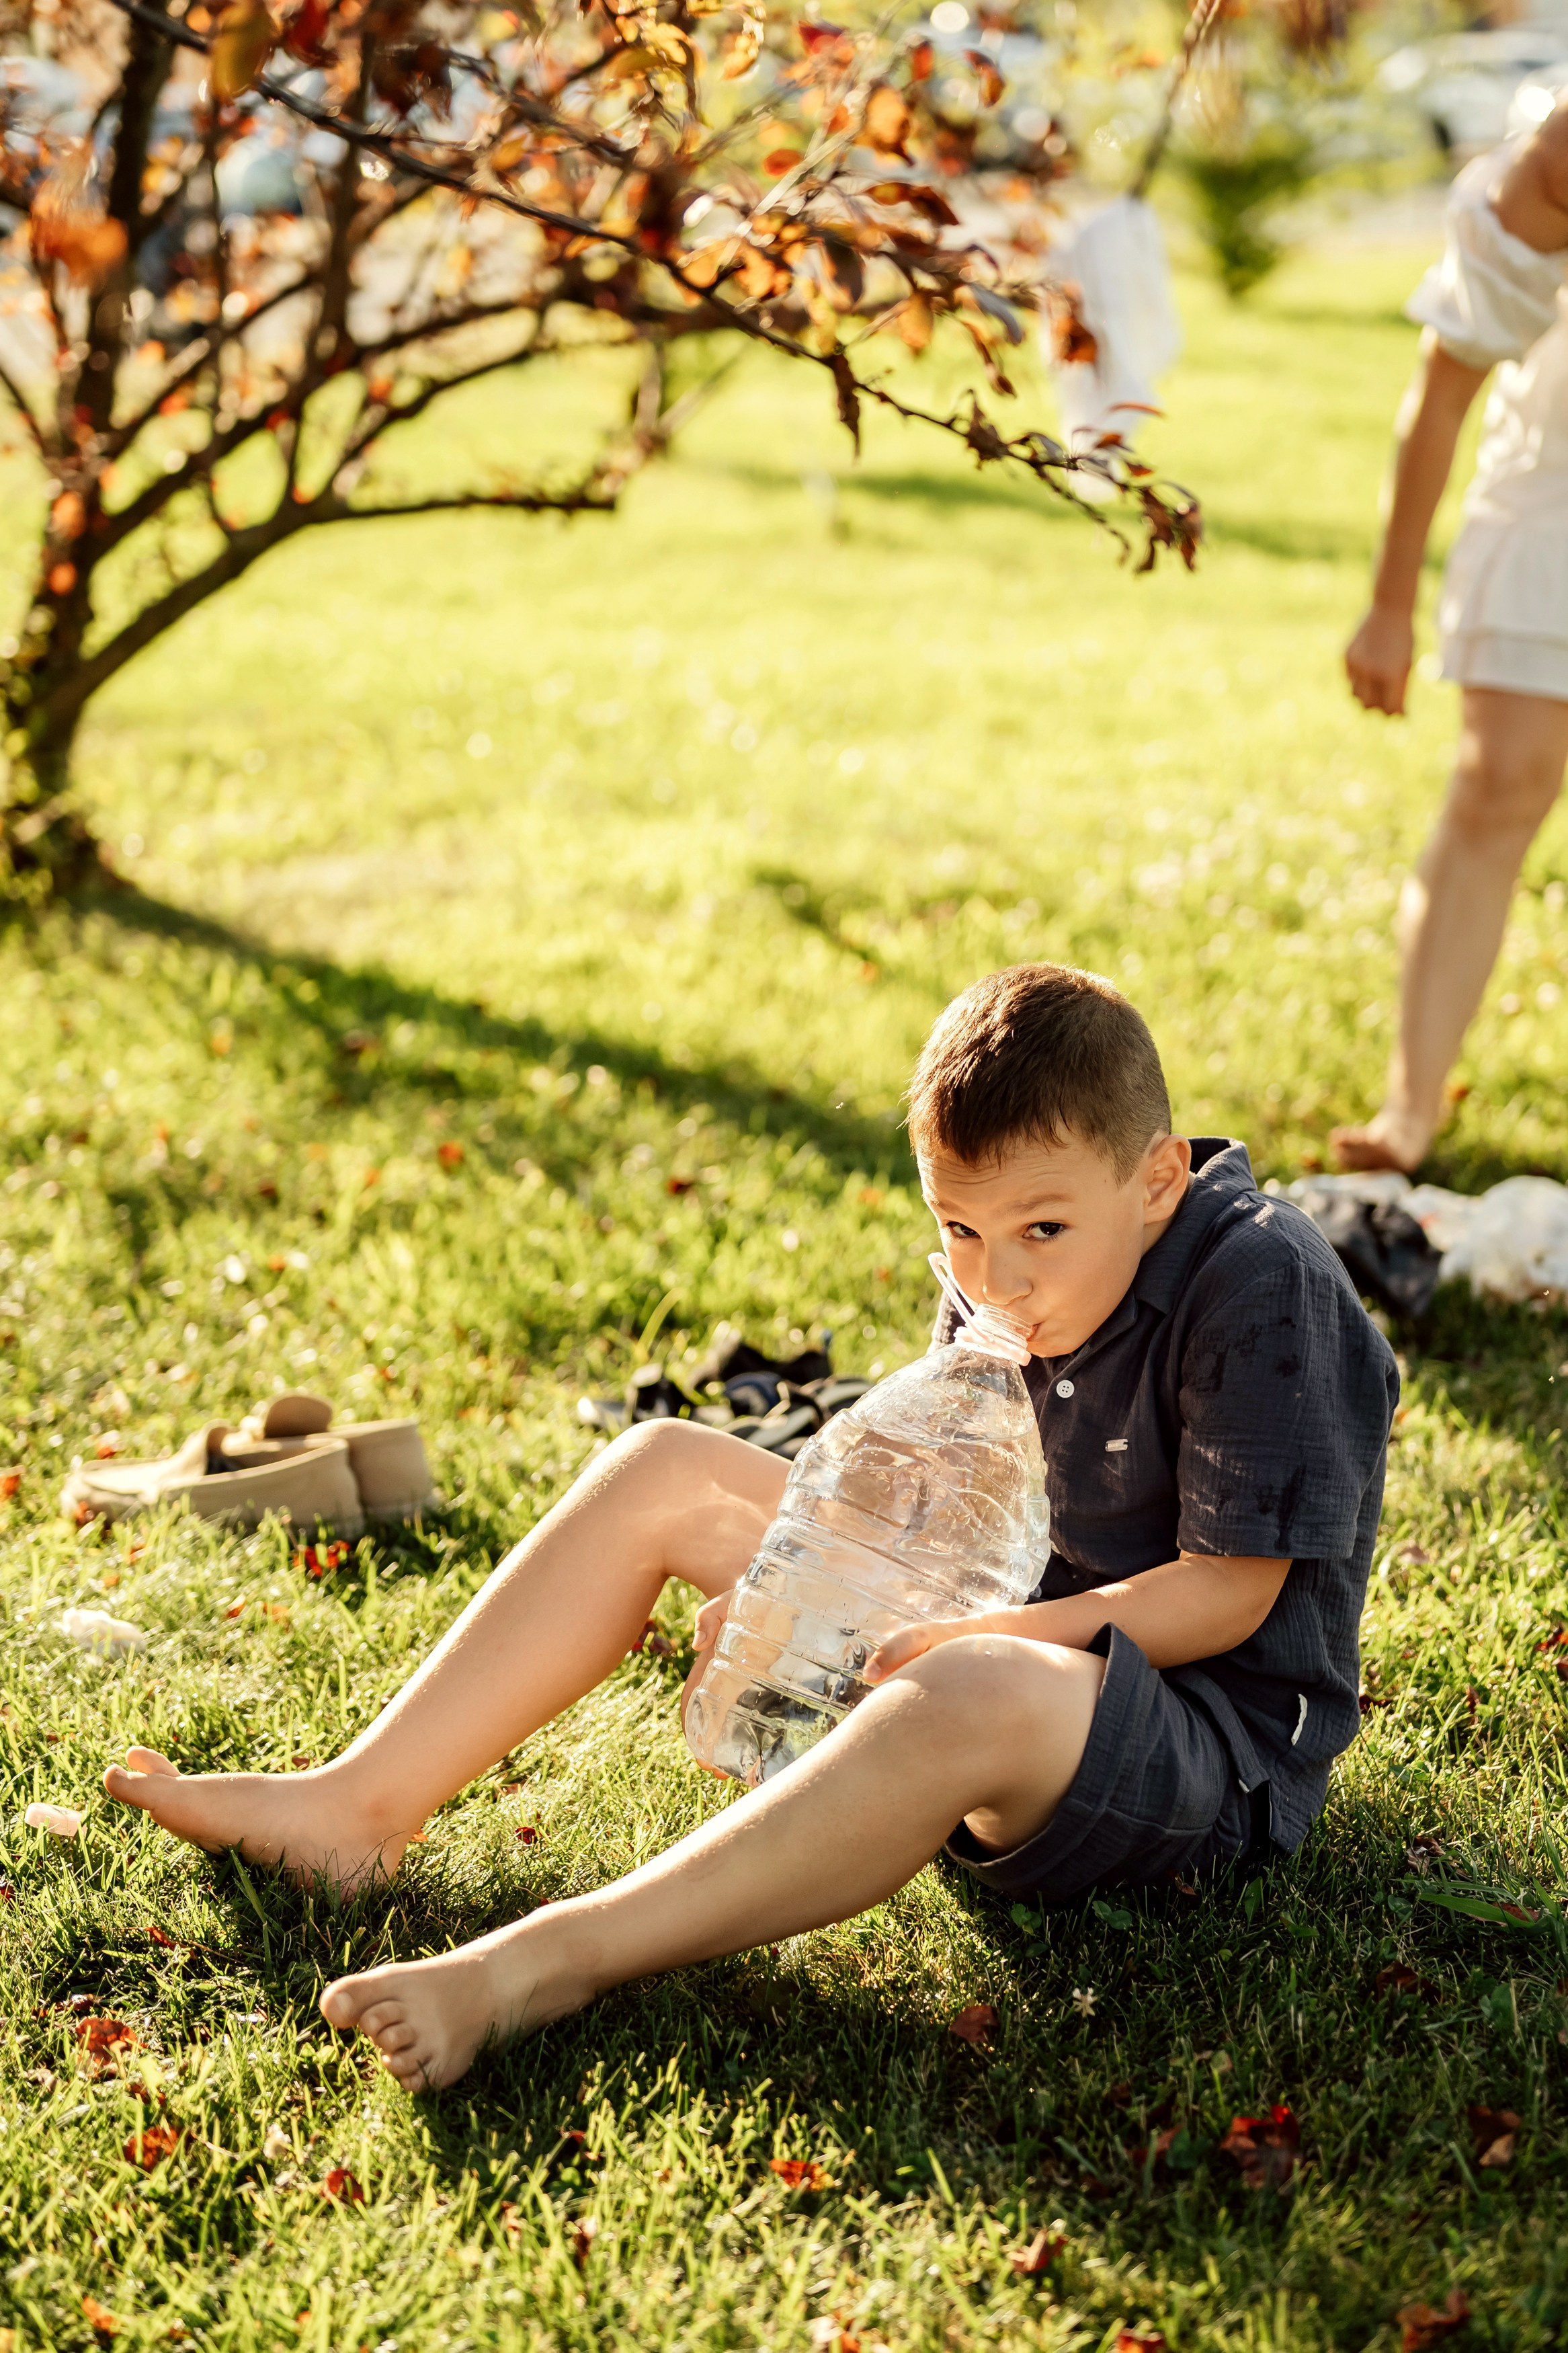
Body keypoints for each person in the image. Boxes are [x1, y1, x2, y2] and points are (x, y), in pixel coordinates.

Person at [105, 965, 1398, 2093]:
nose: (994, 1280)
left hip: (1203, 1758)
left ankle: (544, 1962)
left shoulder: (1261, 1279)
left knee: (964, 1678)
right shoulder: (1011, 1278)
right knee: (666, 1465)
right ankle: (355, 1808)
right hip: (1009, 1641)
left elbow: (1226, 1597)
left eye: (1039, 1232)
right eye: (957, 1231)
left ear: (1157, 1178)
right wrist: (812, 1598)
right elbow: (937, 1517)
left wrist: (962, 1635)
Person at [1334, 99, 1568, 1174]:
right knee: (1498, 789)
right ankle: (1409, 1113)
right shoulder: (1559, 156)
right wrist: (1390, 603)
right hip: (1550, 521)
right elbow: (1438, 395)